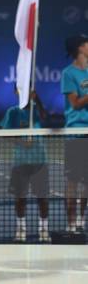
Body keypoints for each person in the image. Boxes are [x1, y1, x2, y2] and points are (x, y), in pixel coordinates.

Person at [1, 87, 50, 242]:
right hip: (20, 162)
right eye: (21, 90)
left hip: (40, 160)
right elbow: (5, 135)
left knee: (42, 197)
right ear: (16, 92)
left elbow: (44, 117)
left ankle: (43, 229)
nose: (25, 93)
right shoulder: (13, 112)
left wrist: (38, 99)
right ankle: (21, 229)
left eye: (29, 90)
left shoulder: (36, 109)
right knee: (20, 197)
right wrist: (21, 141)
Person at [61, 34, 88, 233]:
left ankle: (81, 218)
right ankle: (70, 224)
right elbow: (76, 104)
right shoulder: (68, 74)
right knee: (72, 181)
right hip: (76, 133)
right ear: (80, 48)